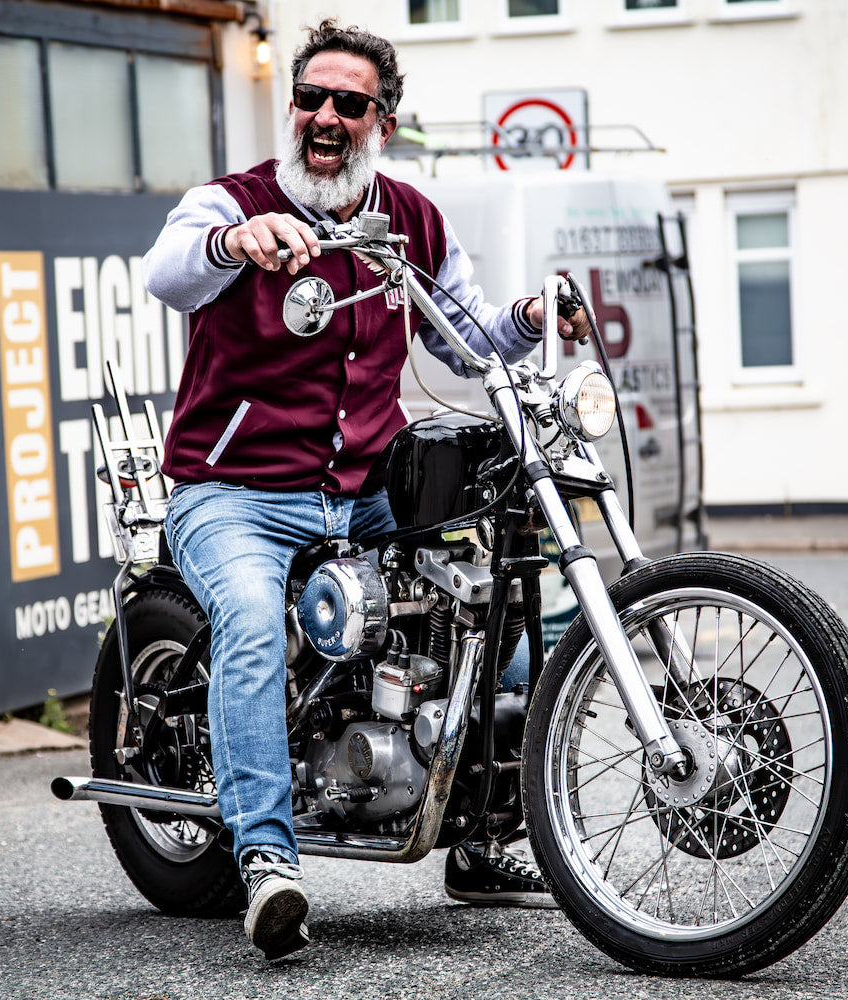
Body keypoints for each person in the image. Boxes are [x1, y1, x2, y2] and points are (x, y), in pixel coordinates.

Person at [142, 19, 589, 960]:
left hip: (365, 490)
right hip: (235, 489)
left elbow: (463, 334)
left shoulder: (413, 221)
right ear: (292, 107)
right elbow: (169, 273)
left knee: (494, 616)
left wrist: (530, 315)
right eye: (310, 98)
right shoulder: (232, 202)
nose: (325, 117)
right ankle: (267, 859)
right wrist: (235, 240)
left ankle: (479, 837)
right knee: (256, 623)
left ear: (382, 119)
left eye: (349, 103)